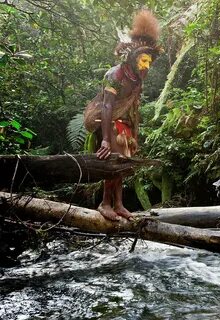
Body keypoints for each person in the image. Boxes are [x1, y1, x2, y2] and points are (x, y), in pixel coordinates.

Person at [83, 10, 162, 221]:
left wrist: (134, 133)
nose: (146, 66)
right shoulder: (115, 74)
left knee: (123, 165)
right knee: (113, 163)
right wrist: (106, 139)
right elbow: (107, 107)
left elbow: (134, 107)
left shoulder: (137, 79)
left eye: (149, 62)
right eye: (144, 61)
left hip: (125, 125)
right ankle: (105, 203)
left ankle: (119, 204)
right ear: (134, 57)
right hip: (108, 123)